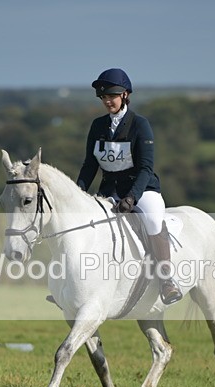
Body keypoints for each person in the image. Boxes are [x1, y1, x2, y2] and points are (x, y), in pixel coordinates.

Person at [76, 68, 183, 304]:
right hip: (109, 192)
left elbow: (146, 168)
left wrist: (132, 198)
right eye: (103, 97)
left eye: (111, 96)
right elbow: (89, 165)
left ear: (125, 94)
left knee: (154, 219)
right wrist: (78, 193)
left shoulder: (139, 125)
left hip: (141, 190)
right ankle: (78, 286)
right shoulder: (97, 126)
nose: (107, 101)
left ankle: (166, 281)